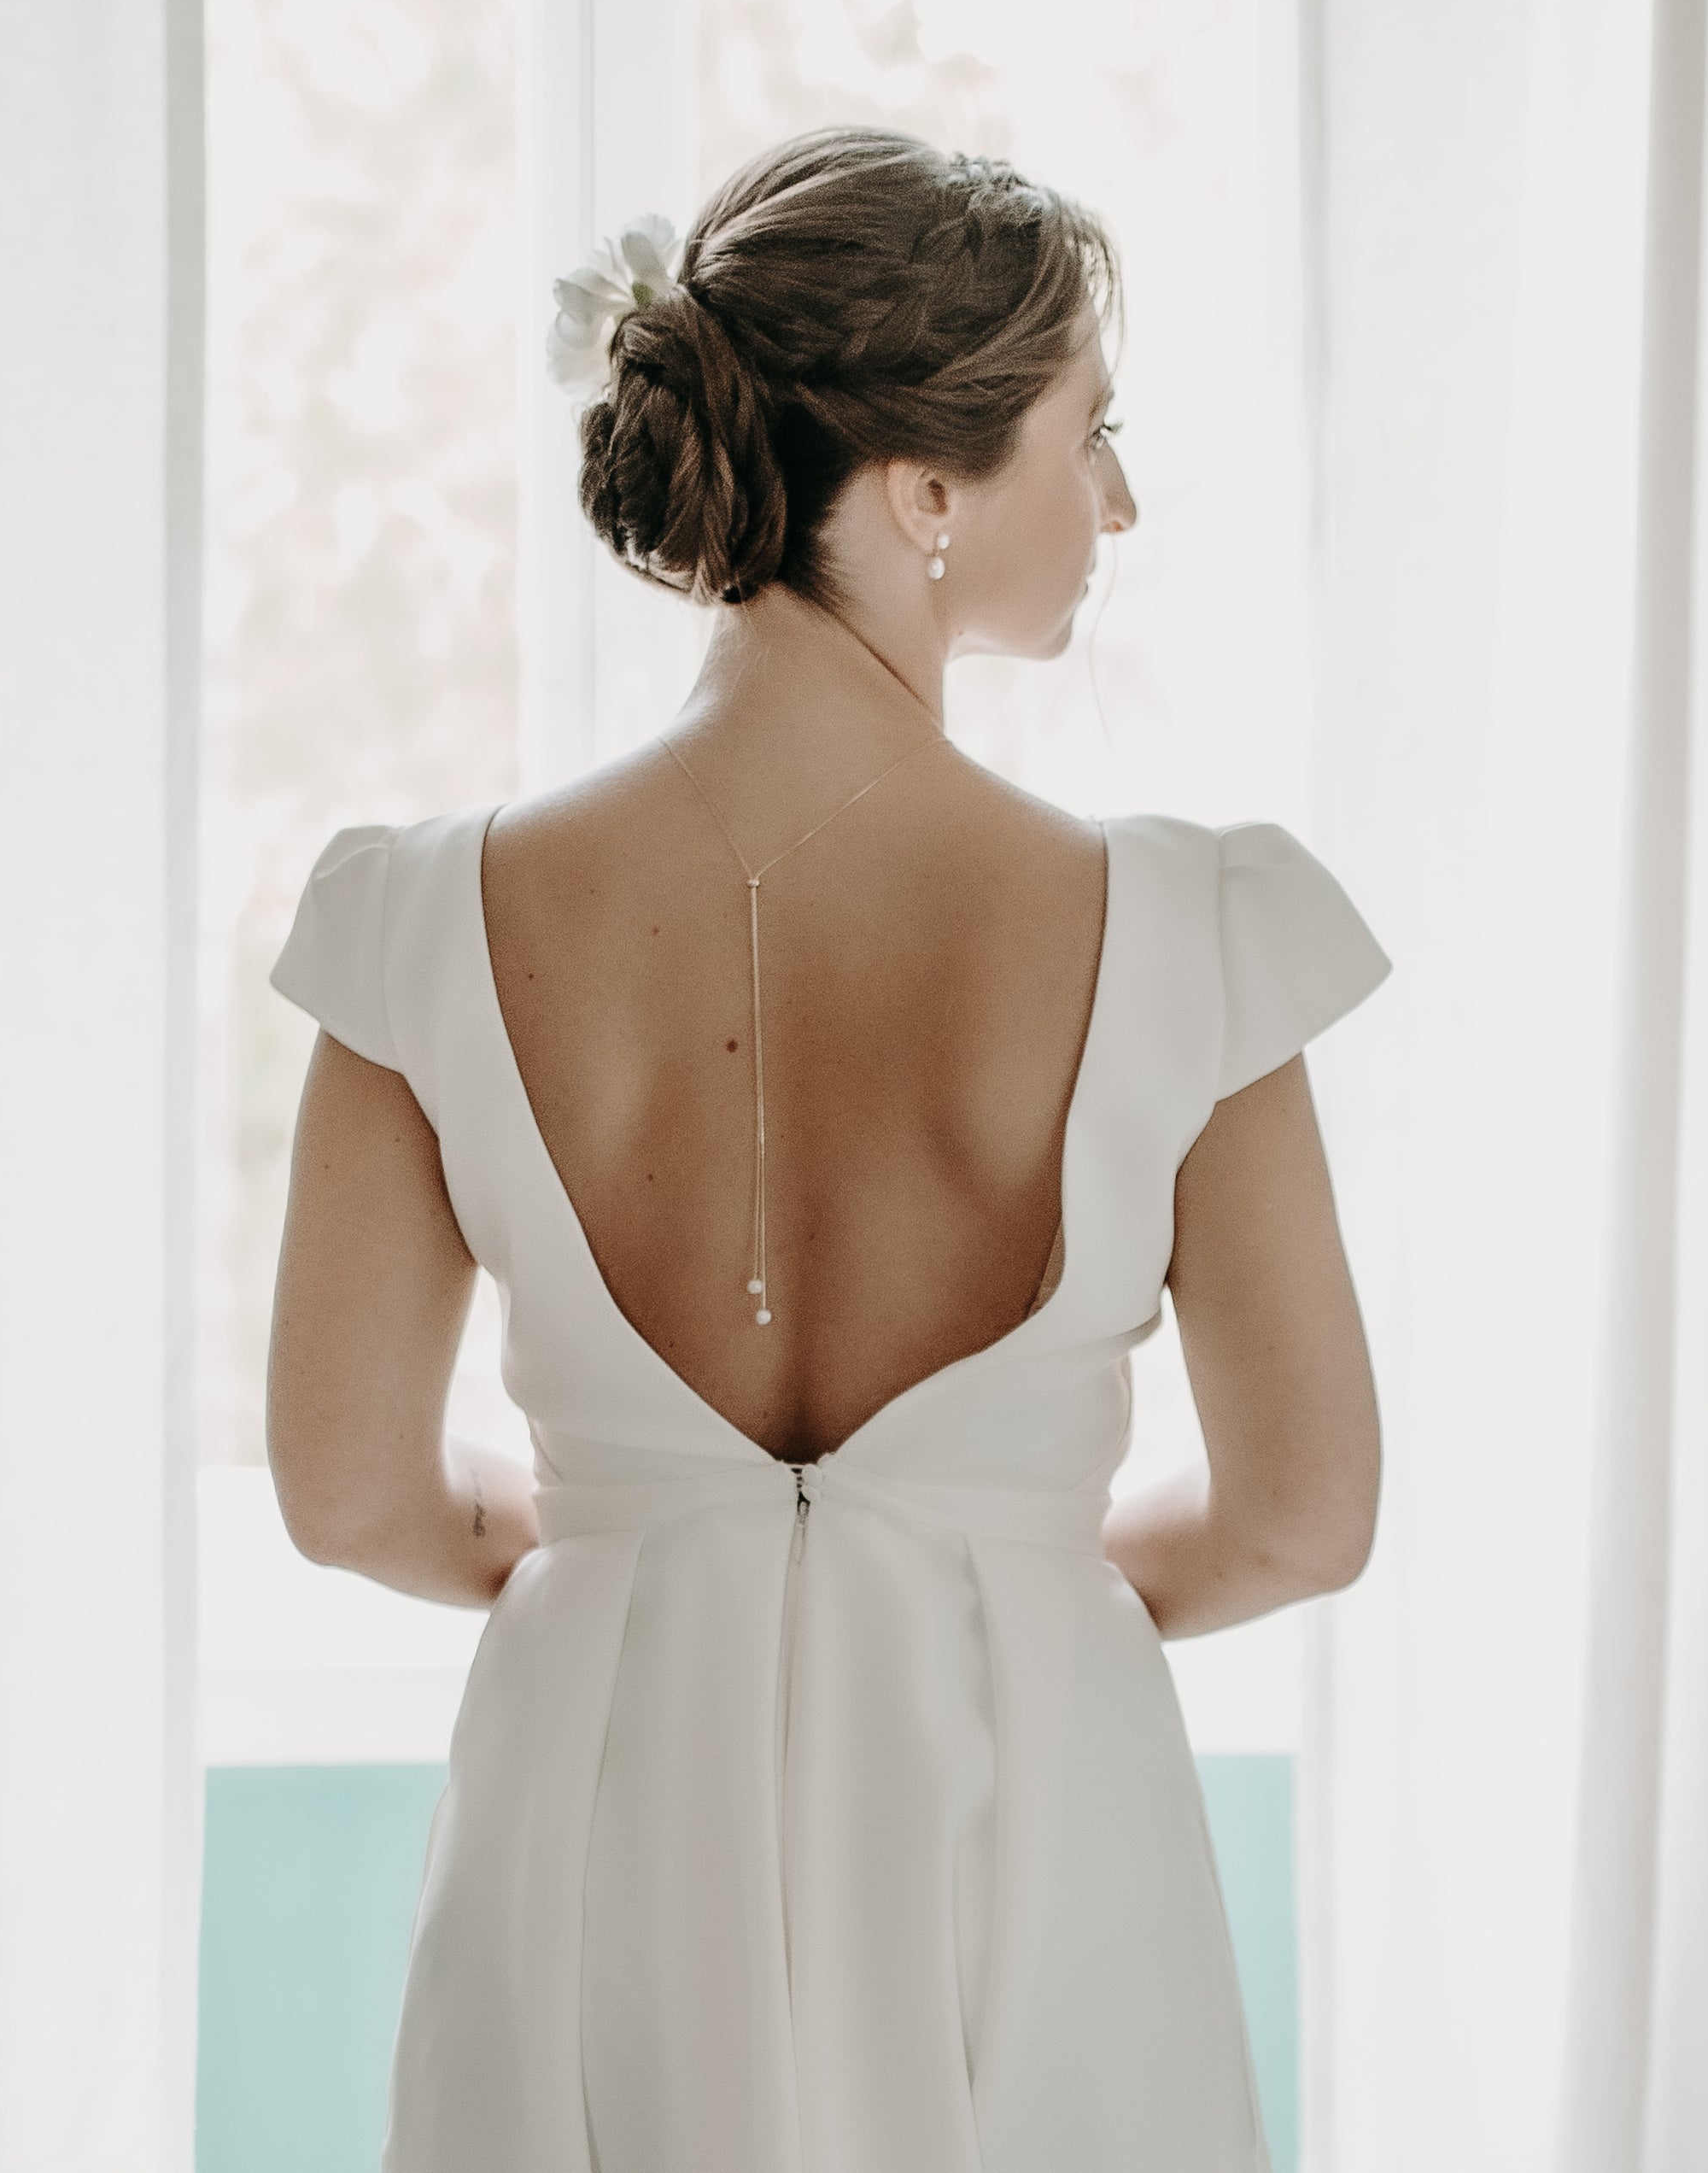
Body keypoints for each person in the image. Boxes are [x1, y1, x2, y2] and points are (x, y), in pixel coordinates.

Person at [263, 124, 1388, 2173]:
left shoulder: (423, 921)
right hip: (1025, 1822)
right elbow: (1304, 1513)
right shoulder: (1194, 934)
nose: (1116, 495)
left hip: (597, 1815)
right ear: (926, 487)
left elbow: (345, 1488)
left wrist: (625, 1538)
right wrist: (993, 1567)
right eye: (1086, 433)